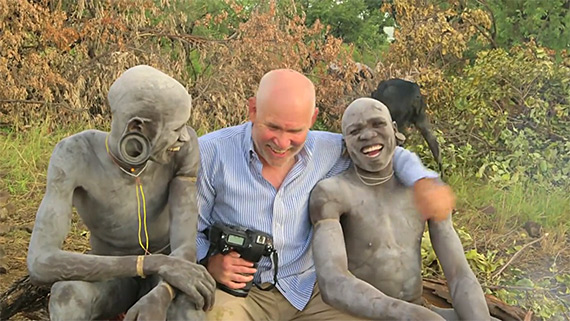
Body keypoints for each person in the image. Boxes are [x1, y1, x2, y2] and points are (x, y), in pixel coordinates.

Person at [197, 69, 456, 320]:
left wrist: (424, 180)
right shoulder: (211, 153)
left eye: (295, 131)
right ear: (252, 110)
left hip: (310, 290)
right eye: (273, 127)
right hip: (241, 293)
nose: (282, 143)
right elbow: (187, 230)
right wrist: (209, 262)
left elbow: (385, 152)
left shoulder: (329, 150)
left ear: (312, 119)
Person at [27, 65, 215, 321]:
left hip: (168, 275)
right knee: (67, 298)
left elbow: (184, 243)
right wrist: (148, 264)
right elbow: (41, 261)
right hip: (110, 273)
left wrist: (163, 292)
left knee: (189, 312)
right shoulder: (75, 155)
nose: (184, 136)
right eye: (175, 128)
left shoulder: (183, 148)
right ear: (137, 126)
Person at [309, 97, 491, 320]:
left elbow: (459, 274)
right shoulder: (332, 194)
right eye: (355, 131)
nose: (367, 135)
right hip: (361, 315)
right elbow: (333, 283)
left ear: (395, 130)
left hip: (418, 308)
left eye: (377, 124)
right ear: (345, 142)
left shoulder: (422, 190)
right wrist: (409, 315)